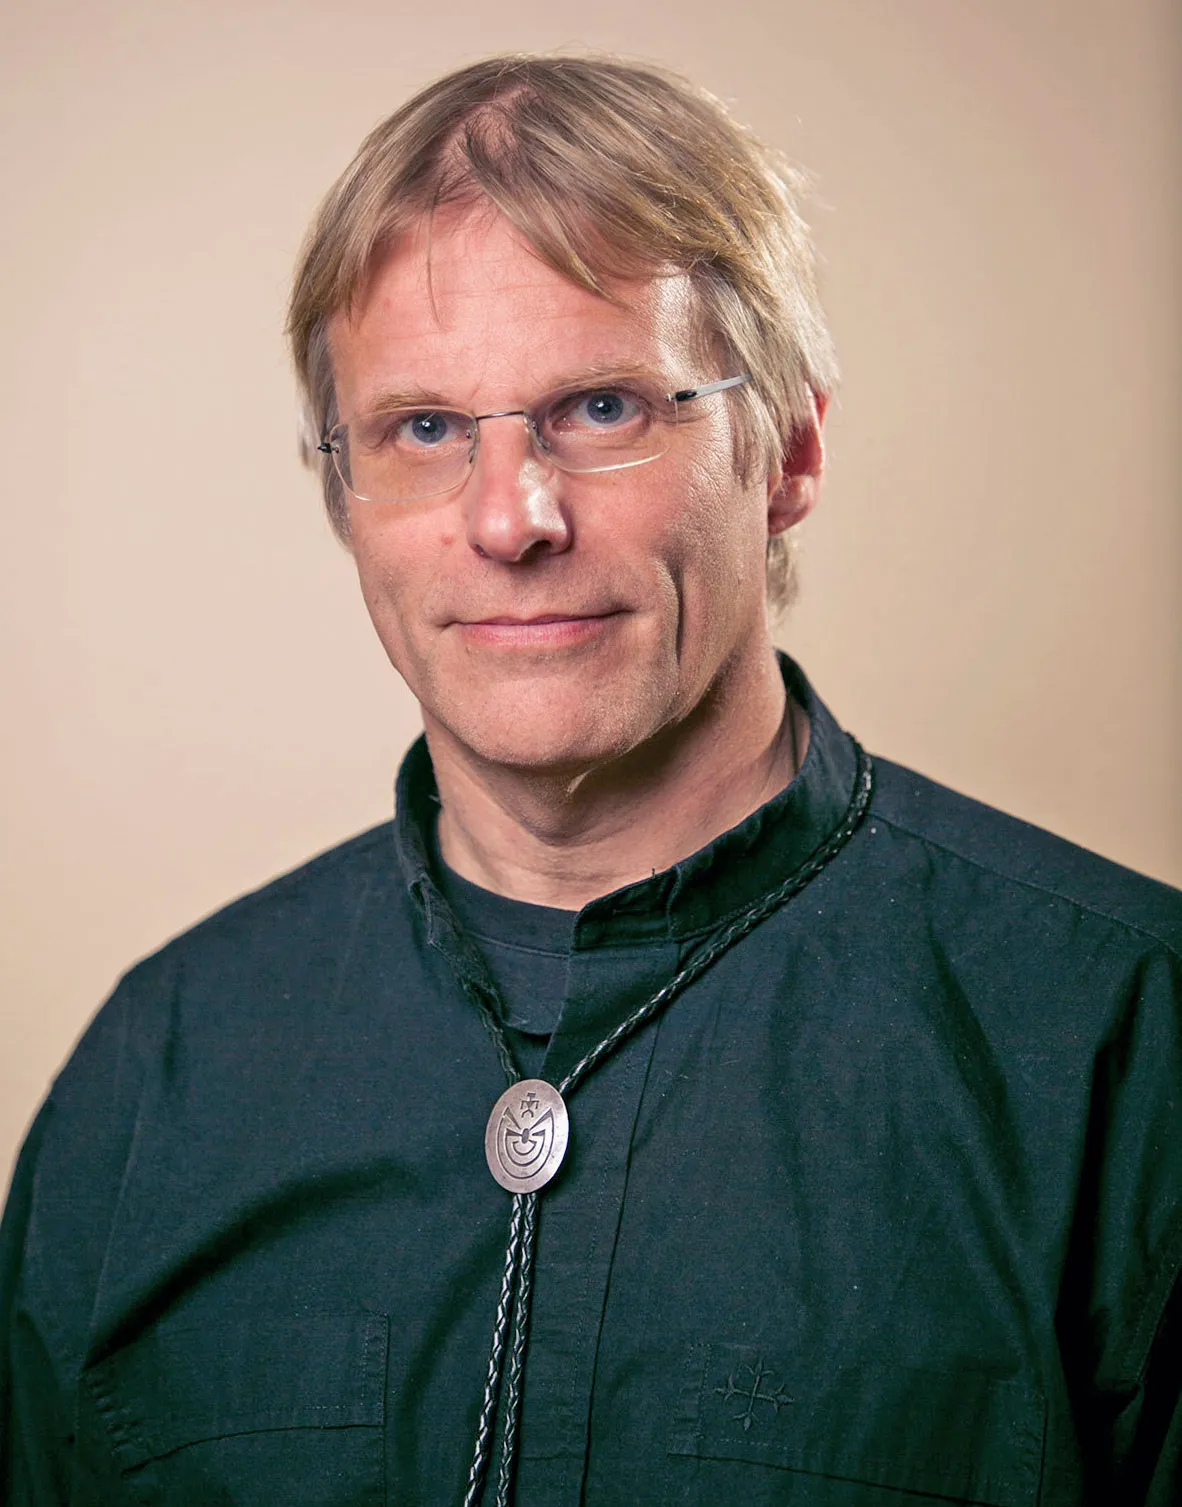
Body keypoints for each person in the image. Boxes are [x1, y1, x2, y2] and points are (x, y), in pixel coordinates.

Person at [2, 53, 1180, 1507]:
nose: (511, 518)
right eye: (423, 430)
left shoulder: (1133, 1041)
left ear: (789, 448)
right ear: (342, 492)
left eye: (602, 408)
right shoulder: (156, 1070)